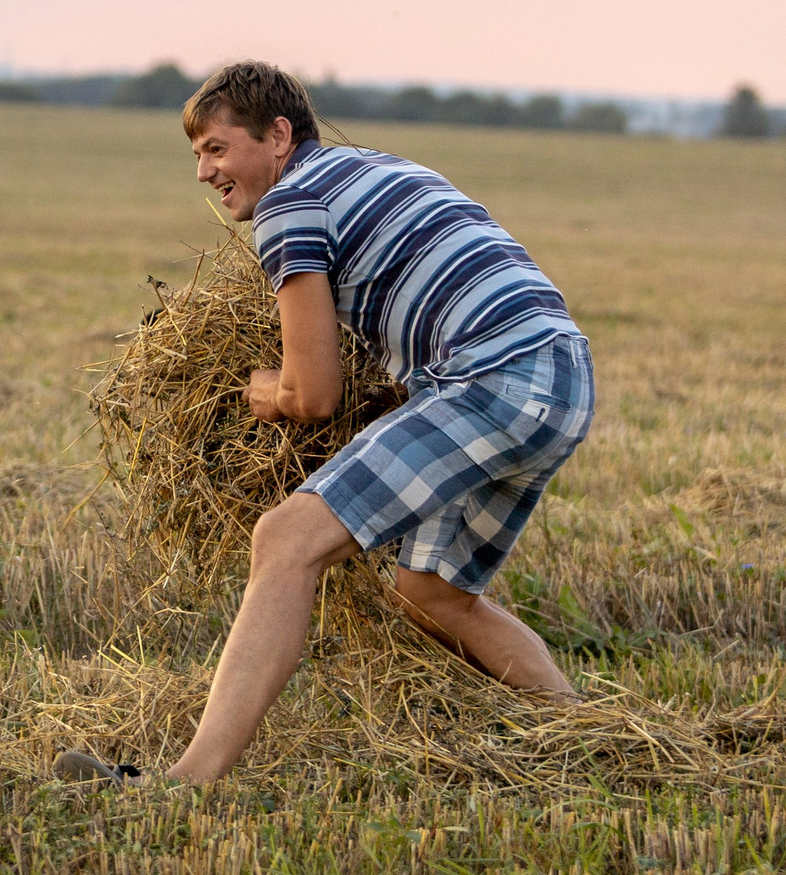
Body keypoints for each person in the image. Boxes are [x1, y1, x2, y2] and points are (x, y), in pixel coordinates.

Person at [161, 62, 593, 784]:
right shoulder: (372, 168)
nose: (205, 171)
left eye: (215, 148)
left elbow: (314, 394)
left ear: (277, 135)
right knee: (431, 591)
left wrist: (266, 390)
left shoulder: (289, 204)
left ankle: (187, 781)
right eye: (198, 154)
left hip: (493, 375)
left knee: (285, 538)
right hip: (561, 372)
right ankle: (592, 742)